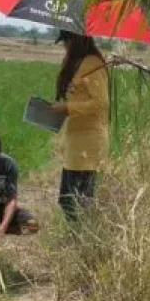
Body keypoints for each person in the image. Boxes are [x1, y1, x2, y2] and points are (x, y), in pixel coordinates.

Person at [49, 30, 110, 220]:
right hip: (75, 141)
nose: (65, 46)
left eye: (66, 41)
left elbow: (101, 103)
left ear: (76, 40)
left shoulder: (93, 64)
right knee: (68, 200)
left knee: (79, 201)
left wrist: (67, 107)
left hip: (89, 142)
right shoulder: (75, 63)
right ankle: (77, 241)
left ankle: (83, 243)